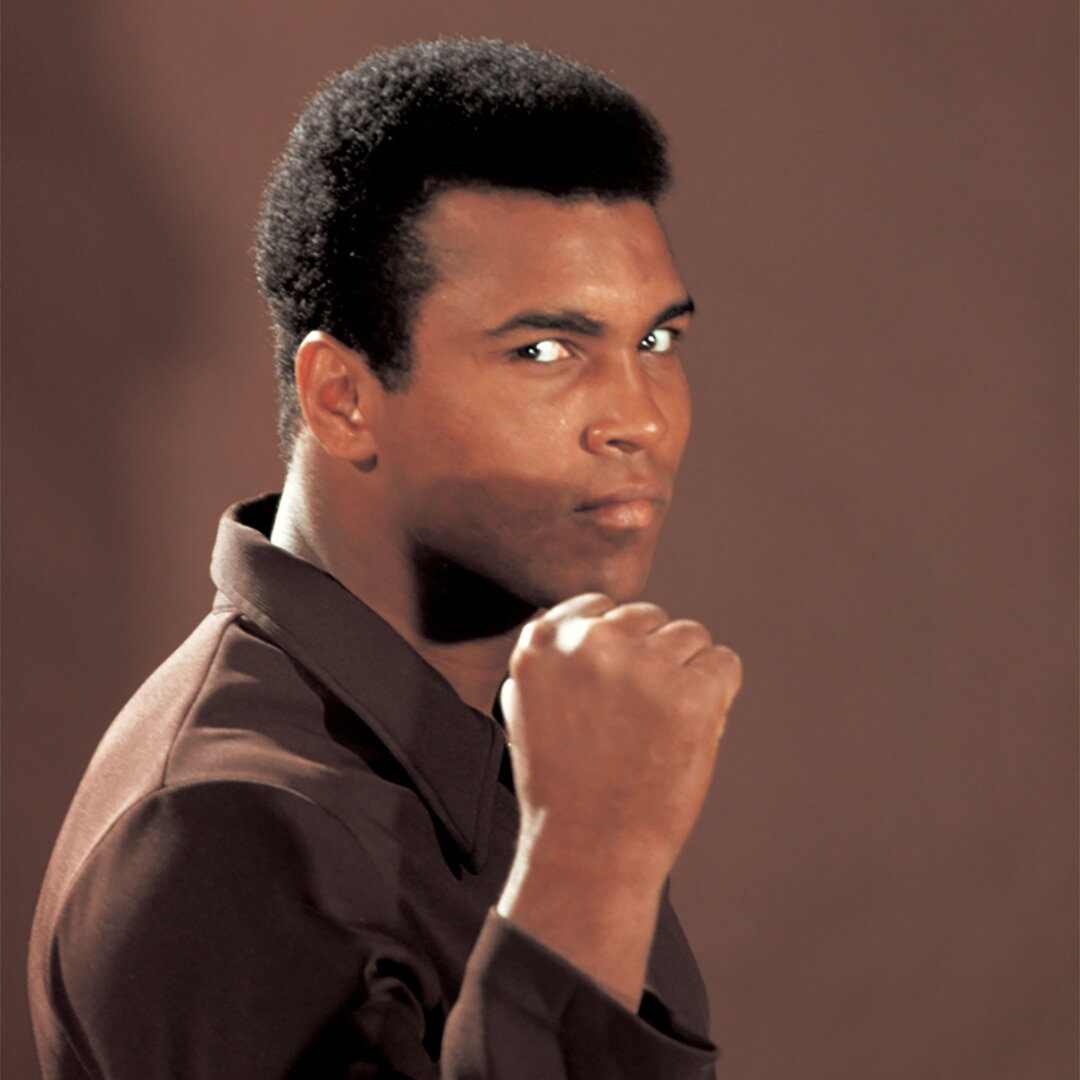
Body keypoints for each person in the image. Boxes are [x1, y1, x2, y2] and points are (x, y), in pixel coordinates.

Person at [28, 38, 742, 1079]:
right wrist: (595, 862)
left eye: (657, 344)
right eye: (546, 351)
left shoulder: (526, 730)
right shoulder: (222, 830)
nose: (637, 419)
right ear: (342, 397)